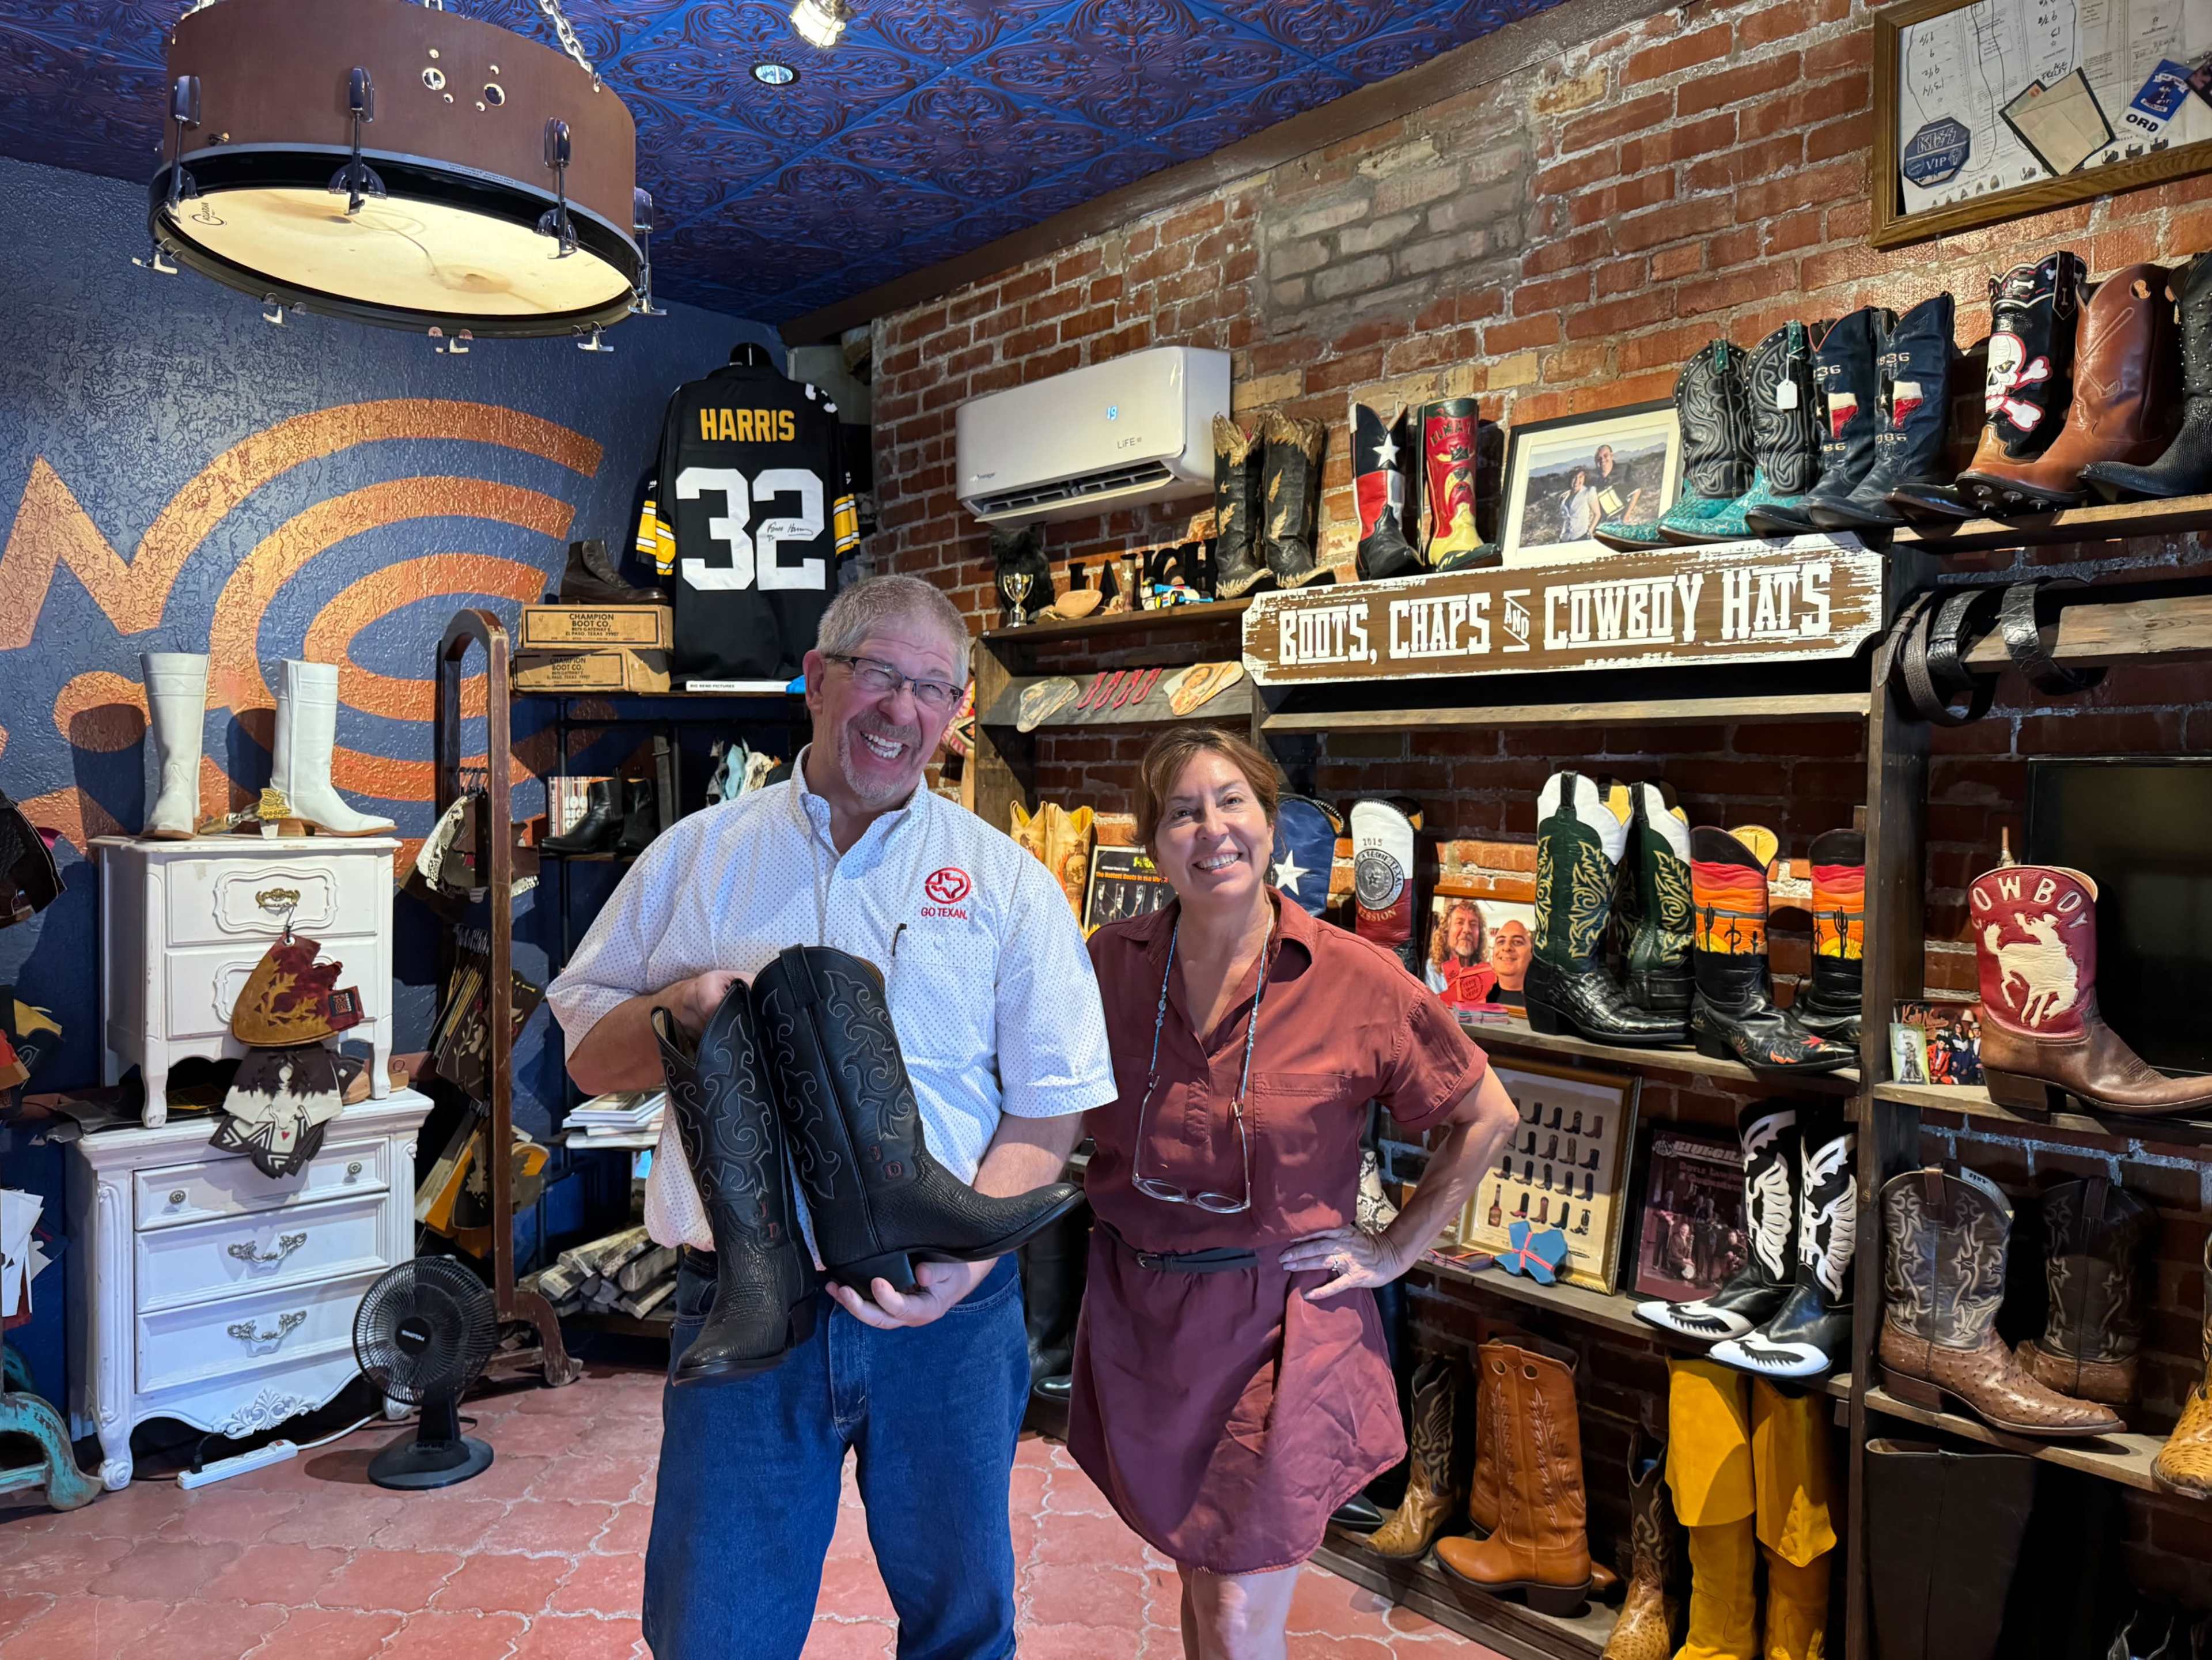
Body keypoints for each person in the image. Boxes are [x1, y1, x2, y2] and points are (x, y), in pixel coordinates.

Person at [546, 574, 1116, 1660]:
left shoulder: (1006, 884)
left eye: (933, 689)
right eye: (879, 675)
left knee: (961, 1628)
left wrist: (962, 1262)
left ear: (954, 720)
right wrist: (680, 1005)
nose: (903, 709)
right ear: (816, 681)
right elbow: (583, 1056)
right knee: (717, 1634)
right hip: (747, 1307)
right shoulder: (697, 856)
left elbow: (1050, 1113)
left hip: (944, 1320)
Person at [1070, 727, 1521, 1660]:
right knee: (1203, 1580)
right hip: (1144, 1322)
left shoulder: (1354, 979)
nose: (1212, 830)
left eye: (1233, 803)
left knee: (1238, 1613)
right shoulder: (1106, 964)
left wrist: (1395, 1249)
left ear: (1272, 827)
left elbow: (1487, 1114)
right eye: (1183, 812)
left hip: (1280, 1329)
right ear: (1154, 844)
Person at [1425, 897, 1497, 1011]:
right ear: (1446, 931)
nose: (1467, 930)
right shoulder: (1429, 971)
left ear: (1480, 935)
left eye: (1473, 924)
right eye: (1460, 922)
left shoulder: (1487, 974)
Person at [1490, 916, 1533, 1006]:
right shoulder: (1481, 997)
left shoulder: (1546, 1003)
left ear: (1532, 953)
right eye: (1501, 941)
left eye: (1517, 942)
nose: (1507, 948)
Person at [1557, 466, 1601, 542]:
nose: (1577, 481)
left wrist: (1590, 531)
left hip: (1581, 536)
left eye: (1581, 477)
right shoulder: (1565, 496)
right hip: (1564, 538)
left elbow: (1597, 514)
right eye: (1575, 477)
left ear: (1585, 479)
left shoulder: (1589, 492)